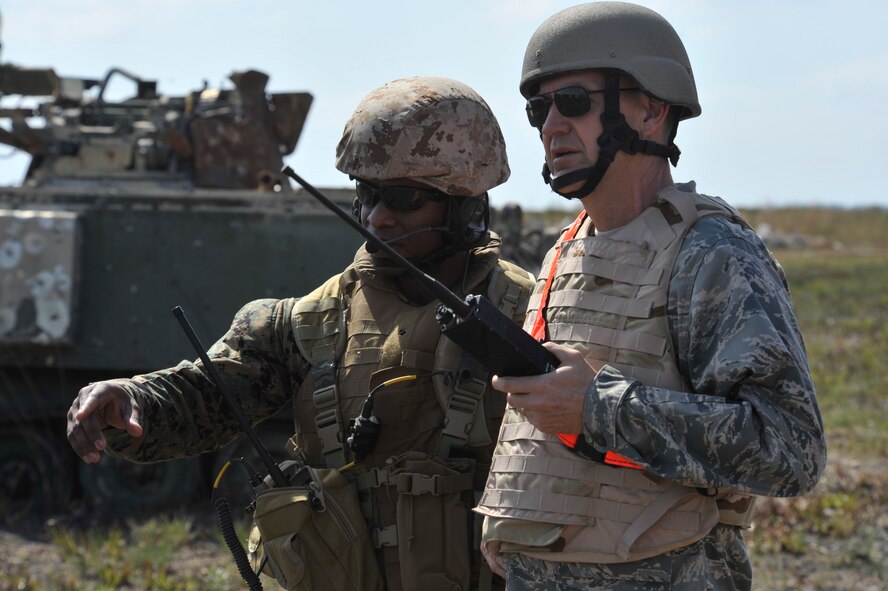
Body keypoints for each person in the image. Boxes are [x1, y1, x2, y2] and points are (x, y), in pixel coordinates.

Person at [67, 76, 536, 591]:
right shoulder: (311, 321)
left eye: (404, 199)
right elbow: (210, 392)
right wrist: (130, 398)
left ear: (465, 207)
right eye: (368, 193)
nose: (377, 217)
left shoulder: (535, 314)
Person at [473, 3, 828, 590]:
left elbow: (790, 448)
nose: (550, 126)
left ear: (651, 109)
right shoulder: (565, 251)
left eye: (575, 103)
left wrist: (601, 407)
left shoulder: (712, 253)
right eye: (540, 108)